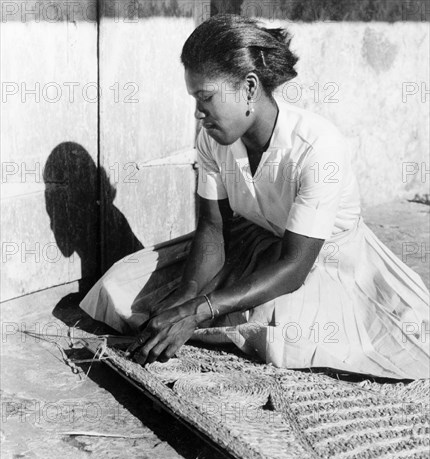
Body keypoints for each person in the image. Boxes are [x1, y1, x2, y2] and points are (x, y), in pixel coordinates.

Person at [80, 15, 429, 380]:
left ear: (249, 88)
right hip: (251, 246)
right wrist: (185, 299)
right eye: (194, 99)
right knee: (118, 287)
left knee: (284, 332)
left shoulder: (317, 148)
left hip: (321, 262)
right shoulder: (211, 139)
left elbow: (294, 267)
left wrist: (200, 309)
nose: (199, 113)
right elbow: (213, 231)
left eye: (206, 98)